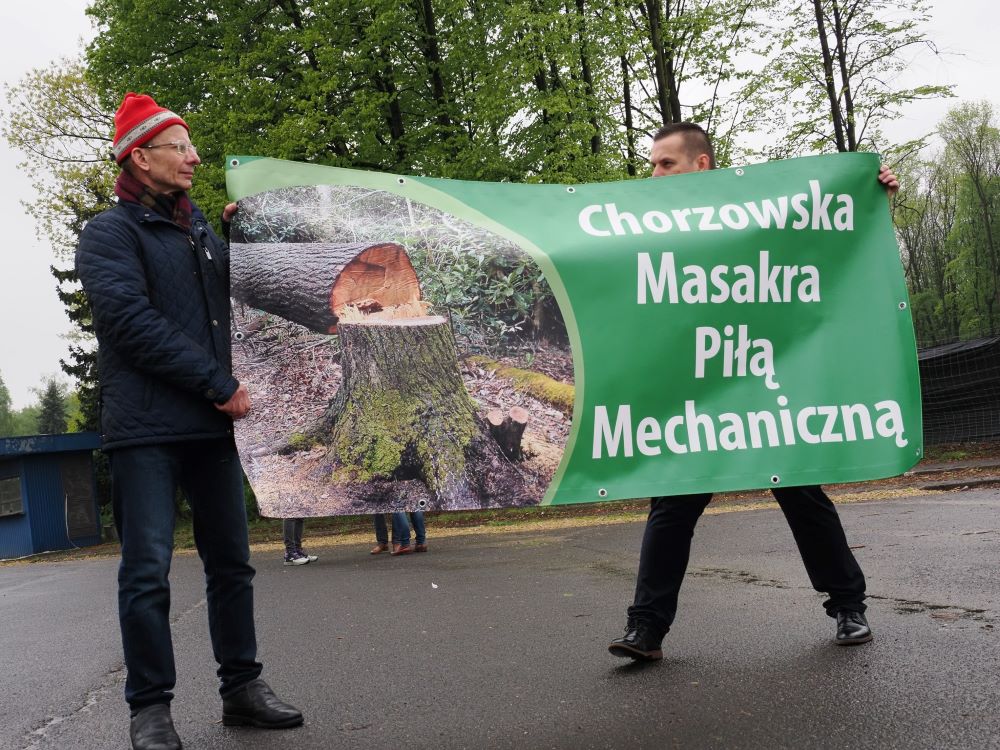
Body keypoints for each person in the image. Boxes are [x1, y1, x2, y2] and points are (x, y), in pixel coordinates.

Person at [608, 122, 899, 662]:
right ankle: (645, 628)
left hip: (764, 387)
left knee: (802, 495)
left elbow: (821, 246)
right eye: (652, 163)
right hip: (697, 394)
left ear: (701, 165)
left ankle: (848, 607)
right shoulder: (644, 225)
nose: (653, 173)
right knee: (671, 504)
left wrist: (867, 194)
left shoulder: (759, 211)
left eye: (665, 163)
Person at [76, 93, 303, 750]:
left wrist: (240, 240)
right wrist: (216, 382)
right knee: (146, 569)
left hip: (211, 431)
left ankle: (243, 689)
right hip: (146, 430)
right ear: (139, 156)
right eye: (181, 147)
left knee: (231, 563)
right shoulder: (107, 234)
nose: (194, 157)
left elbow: (234, 305)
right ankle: (150, 709)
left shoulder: (199, 233)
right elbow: (129, 323)